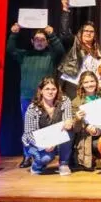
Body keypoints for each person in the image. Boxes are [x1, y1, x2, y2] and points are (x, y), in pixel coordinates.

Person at [8, 23, 65, 168]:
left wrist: (51, 34)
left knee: (45, 127)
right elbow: (10, 49)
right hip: (27, 97)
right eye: (37, 39)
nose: (40, 42)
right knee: (28, 129)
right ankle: (27, 156)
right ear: (32, 41)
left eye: (43, 39)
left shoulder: (51, 55)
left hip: (47, 98)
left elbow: (60, 50)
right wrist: (14, 33)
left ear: (47, 42)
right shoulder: (24, 55)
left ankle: (43, 156)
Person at [21, 77, 74, 175]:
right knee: (45, 158)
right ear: (41, 91)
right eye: (47, 89)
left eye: (53, 89)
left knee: (69, 129)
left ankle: (63, 164)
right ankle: (37, 164)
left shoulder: (64, 100)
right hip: (38, 141)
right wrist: (44, 144)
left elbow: (68, 118)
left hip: (57, 136)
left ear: (57, 90)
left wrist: (68, 122)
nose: (50, 92)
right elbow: (29, 133)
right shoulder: (32, 108)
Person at [58, 0, 101, 100]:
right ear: (80, 33)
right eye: (86, 31)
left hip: (93, 86)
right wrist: (65, 10)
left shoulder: (100, 50)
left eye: (91, 31)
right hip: (74, 84)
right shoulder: (74, 44)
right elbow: (64, 33)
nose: (88, 33)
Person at [69, 72, 101, 171]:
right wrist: (77, 119)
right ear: (81, 84)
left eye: (92, 81)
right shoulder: (75, 102)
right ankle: (93, 158)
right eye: (86, 82)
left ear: (97, 82)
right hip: (87, 136)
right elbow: (75, 130)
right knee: (95, 144)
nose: (89, 84)